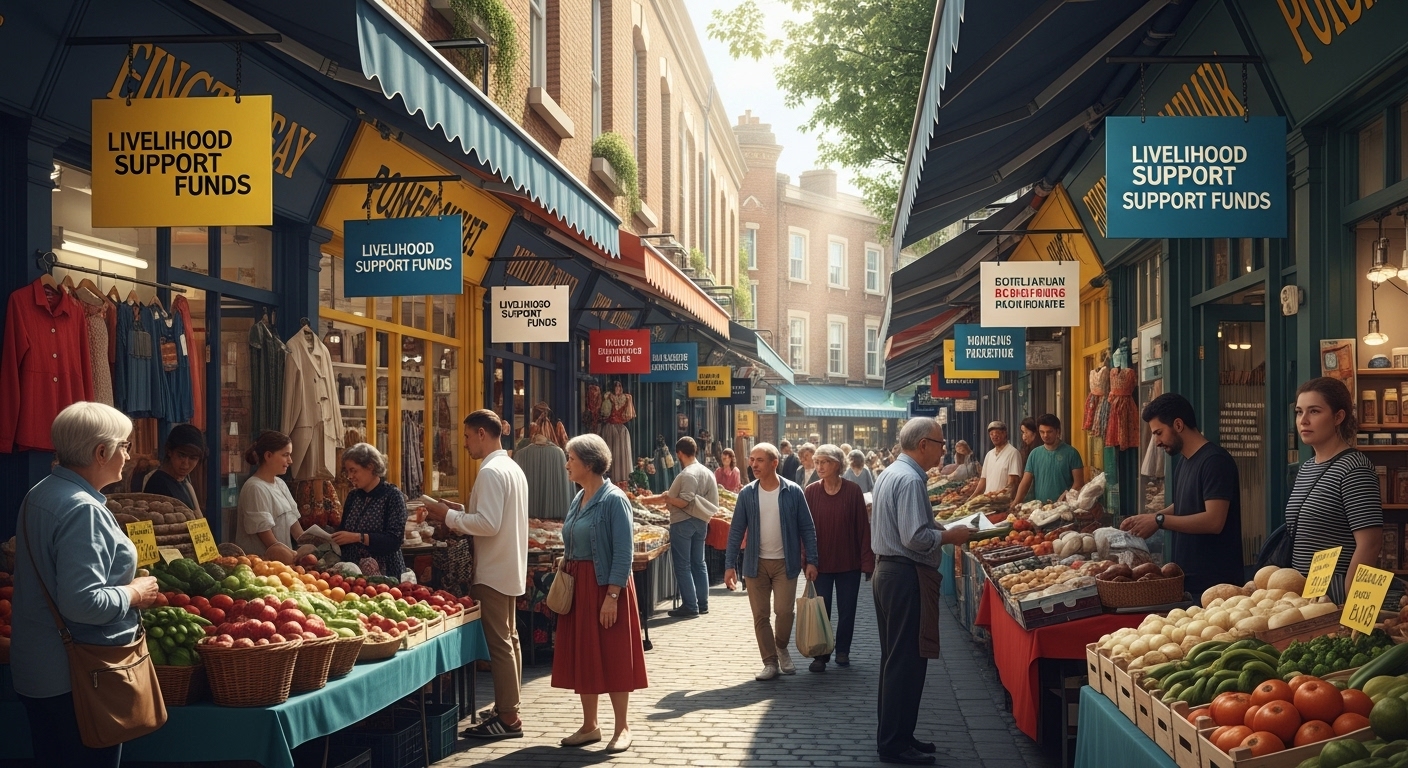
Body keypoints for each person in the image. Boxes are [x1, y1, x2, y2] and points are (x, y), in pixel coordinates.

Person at [11, 402, 161, 768]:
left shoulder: (42, 492)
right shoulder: (83, 509)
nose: (128, 455)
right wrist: (134, 592)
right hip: (80, 677)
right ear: (101, 452)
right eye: (124, 446)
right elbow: (83, 603)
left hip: (41, 670)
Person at [871, 417, 971, 765]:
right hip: (905, 574)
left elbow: (906, 526)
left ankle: (897, 734)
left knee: (895, 659)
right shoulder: (911, 479)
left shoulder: (890, 473)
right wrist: (949, 535)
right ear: (923, 444)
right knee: (906, 661)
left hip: (888, 572)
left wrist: (936, 525)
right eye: (940, 444)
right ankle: (894, 744)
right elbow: (914, 537)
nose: (943, 450)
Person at [424, 409, 529, 741]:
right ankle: (508, 708)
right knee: (509, 640)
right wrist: (458, 513)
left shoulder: (491, 472)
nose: (466, 443)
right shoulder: (511, 467)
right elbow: (493, 519)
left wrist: (450, 517)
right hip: (509, 564)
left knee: (500, 643)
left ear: (482, 433)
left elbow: (488, 524)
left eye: (468, 436)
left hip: (494, 568)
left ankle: (509, 717)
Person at [553, 434, 648, 753]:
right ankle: (590, 725)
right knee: (585, 654)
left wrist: (612, 595)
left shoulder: (614, 499)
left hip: (606, 585)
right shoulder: (577, 498)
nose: (567, 464)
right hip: (580, 583)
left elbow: (624, 551)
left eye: (571, 459)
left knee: (613, 653)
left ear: (590, 464)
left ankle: (622, 727)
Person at [1118, 395, 1242, 595]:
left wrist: (1159, 520)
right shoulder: (1184, 461)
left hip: (1215, 585)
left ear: (1178, 424)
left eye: (1159, 433)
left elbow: (1214, 521)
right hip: (1187, 581)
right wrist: (1149, 519)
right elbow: (1186, 504)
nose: (1156, 442)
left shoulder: (1215, 462)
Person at [724, 443, 819, 681]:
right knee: (761, 615)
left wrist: (812, 560)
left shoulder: (793, 491)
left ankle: (781, 646)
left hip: (785, 563)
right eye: (752, 459)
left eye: (760, 460)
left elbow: (807, 528)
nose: (753, 465)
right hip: (755, 564)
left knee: (784, 612)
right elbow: (736, 531)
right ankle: (769, 662)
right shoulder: (747, 493)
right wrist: (729, 566)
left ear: (774, 463)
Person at [1285, 377, 1383, 604]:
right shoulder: (1307, 468)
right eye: (1299, 412)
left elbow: (1370, 544)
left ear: (1339, 417)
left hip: (1337, 595)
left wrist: (1355, 604)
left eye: (1315, 412)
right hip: (1303, 595)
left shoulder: (1355, 468)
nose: (1304, 420)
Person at [805, 444, 873, 673]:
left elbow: (863, 528)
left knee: (847, 610)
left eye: (824, 462)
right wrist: (808, 561)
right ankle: (820, 655)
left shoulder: (853, 491)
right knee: (821, 611)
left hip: (848, 563)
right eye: (817, 462)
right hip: (821, 564)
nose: (819, 467)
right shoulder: (811, 491)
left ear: (837, 464)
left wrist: (867, 562)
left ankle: (843, 650)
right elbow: (805, 530)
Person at [638, 437, 718, 618]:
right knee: (699, 563)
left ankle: (691, 605)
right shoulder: (707, 472)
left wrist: (667, 499)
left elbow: (684, 501)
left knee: (683, 565)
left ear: (680, 454)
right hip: (701, 522)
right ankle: (702, 602)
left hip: (684, 522)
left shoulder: (688, 474)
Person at [333, 443, 408, 578]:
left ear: (370, 467)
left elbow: (394, 540)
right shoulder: (353, 496)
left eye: (353, 470)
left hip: (385, 575)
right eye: (347, 472)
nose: (349, 476)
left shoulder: (393, 496)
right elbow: (344, 529)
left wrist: (358, 537)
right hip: (353, 573)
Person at [235, 430, 302, 564]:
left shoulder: (280, 484)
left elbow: (297, 531)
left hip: (283, 564)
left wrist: (315, 546)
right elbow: (271, 544)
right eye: (285, 455)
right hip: (262, 567)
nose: (290, 461)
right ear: (268, 455)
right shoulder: (255, 488)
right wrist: (294, 561)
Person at [1012, 414, 1084, 506]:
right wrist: (1016, 501)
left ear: (1058, 431)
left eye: (1049, 432)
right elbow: (1025, 482)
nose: (1045, 435)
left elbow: (1079, 483)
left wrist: (1068, 495)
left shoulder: (1072, 453)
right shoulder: (1034, 454)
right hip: (1040, 509)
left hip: (1063, 508)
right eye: (1042, 432)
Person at [515, 412, 574, 523]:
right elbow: (567, 487)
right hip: (555, 518)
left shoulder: (520, 454)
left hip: (526, 517)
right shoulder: (559, 453)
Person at [140, 423, 204, 513]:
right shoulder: (159, 484)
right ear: (169, 451)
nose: (185, 464)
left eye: (193, 458)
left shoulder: (183, 482)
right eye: (181, 455)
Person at [971, 421, 1024, 502]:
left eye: (997, 433)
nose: (994, 436)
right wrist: (972, 497)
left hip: (1001, 503)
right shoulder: (989, 454)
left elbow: (1013, 483)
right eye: (991, 434)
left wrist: (1000, 498)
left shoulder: (1013, 453)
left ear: (1004, 434)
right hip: (987, 501)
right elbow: (983, 480)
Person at [599, 381, 635, 477]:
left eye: (620, 386)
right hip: (610, 427)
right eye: (616, 386)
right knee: (610, 451)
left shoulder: (627, 398)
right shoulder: (608, 396)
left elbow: (629, 415)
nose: (618, 388)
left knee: (621, 455)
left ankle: (621, 478)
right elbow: (604, 413)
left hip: (621, 430)